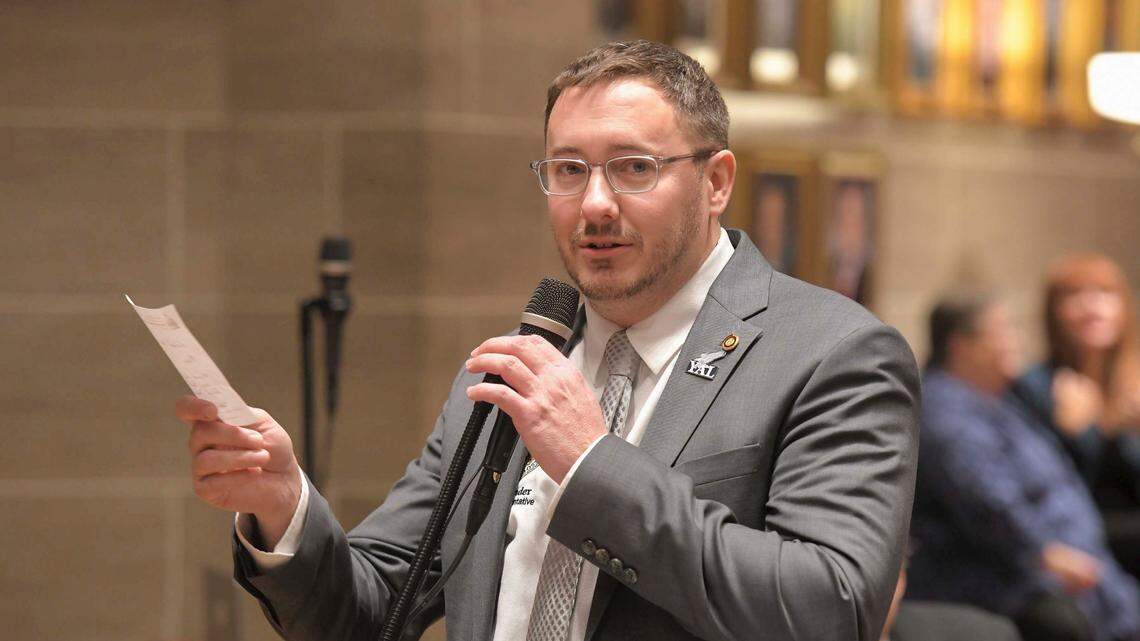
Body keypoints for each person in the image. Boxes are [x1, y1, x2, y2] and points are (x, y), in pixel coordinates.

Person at [175, 40, 920, 641]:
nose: (594, 204)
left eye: (634, 168)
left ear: (717, 180)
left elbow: (831, 609)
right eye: (568, 170)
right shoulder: (520, 366)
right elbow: (371, 610)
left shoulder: (833, 354)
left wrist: (594, 465)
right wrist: (285, 508)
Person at [909, 293, 1140, 641]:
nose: (1014, 341)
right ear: (962, 346)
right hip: (1000, 572)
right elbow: (987, 502)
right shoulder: (944, 411)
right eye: (1002, 331)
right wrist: (1045, 554)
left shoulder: (1001, 399)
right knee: (1068, 623)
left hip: (1070, 552)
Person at [1009, 254, 1140, 579]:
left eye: (1105, 293)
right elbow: (1051, 489)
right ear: (1053, 313)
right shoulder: (1036, 386)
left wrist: (1120, 430)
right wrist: (1077, 434)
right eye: (1074, 295)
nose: (1092, 307)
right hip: (1079, 535)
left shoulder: (1135, 381)